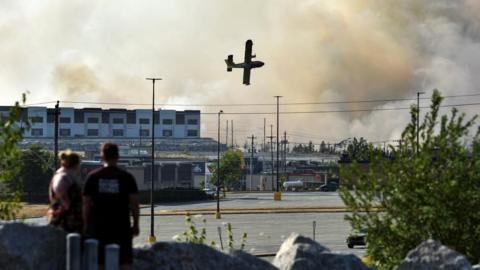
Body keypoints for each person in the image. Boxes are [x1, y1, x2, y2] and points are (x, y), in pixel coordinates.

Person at [83, 142, 140, 269]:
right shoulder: (127, 178)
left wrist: (86, 225)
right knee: (124, 263)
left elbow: (86, 204)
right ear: (118, 157)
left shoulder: (93, 177)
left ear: (102, 156)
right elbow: (135, 204)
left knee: (100, 263)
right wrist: (135, 224)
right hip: (121, 227)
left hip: (98, 228)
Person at [48, 150, 83, 233]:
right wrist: (68, 206)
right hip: (65, 223)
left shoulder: (68, 176)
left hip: (71, 221)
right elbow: (60, 192)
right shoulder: (62, 177)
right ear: (76, 164)